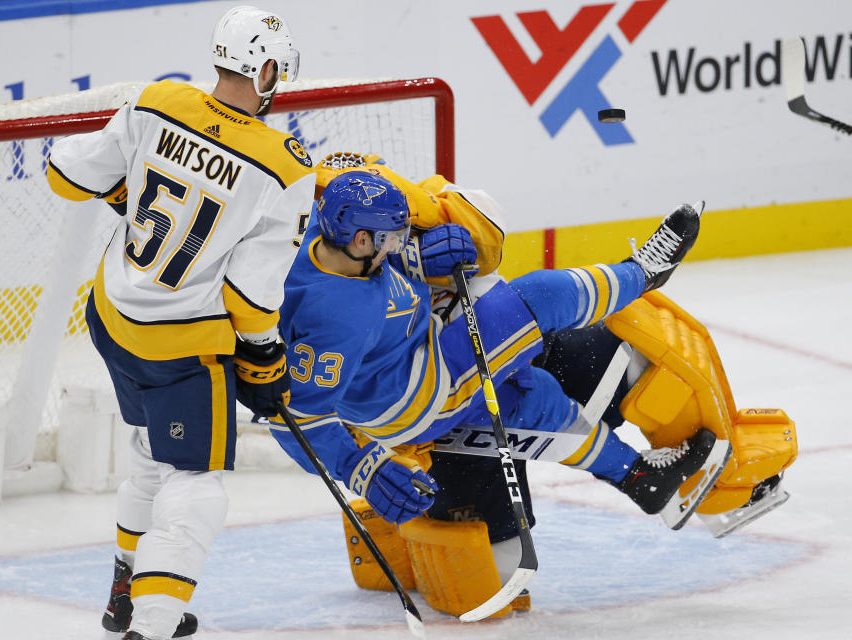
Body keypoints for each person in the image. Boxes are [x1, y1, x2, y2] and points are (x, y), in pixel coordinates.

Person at [273, 156, 795, 619]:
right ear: (361, 239)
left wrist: (412, 255)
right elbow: (299, 416)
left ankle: (637, 479)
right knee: (533, 299)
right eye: (389, 239)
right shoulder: (333, 319)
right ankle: (643, 272)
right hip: (424, 392)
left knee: (539, 399)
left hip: (419, 352)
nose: (396, 245)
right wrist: (364, 471)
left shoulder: (329, 247)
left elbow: (389, 274)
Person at [45, 6, 315, 640]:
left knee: (150, 454)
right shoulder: (286, 165)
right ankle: (155, 625)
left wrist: (128, 195)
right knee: (196, 481)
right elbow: (251, 298)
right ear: (266, 68)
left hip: (112, 321)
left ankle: (125, 591)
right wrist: (266, 361)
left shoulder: (155, 101)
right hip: (183, 350)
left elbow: (64, 174)